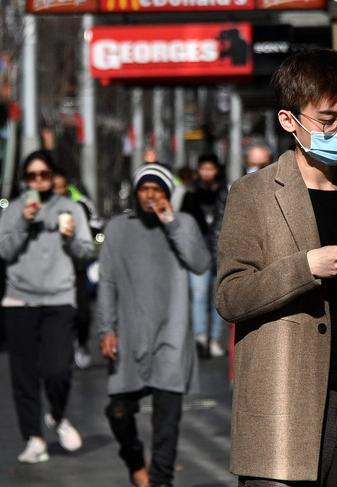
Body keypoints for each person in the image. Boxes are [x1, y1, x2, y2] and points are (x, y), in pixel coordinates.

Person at [216, 48, 337, 486]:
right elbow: (231, 296)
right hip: (282, 404)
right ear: (289, 121)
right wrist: (306, 266)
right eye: (327, 121)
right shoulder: (253, 193)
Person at [97, 163, 210, 487]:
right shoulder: (119, 228)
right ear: (135, 193)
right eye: (144, 189)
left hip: (171, 336)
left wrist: (171, 222)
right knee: (117, 412)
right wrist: (107, 330)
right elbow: (106, 282)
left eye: (157, 189)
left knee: (167, 423)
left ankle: (160, 482)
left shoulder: (182, 222)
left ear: (167, 193)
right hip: (130, 337)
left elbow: (200, 264)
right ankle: (135, 463)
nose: (150, 196)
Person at [0, 150, 94, 463]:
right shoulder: (14, 209)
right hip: (19, 299)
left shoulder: (70, 208)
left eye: (43, 174)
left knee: (57, 369)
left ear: (52, 176)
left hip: (58, 298)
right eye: (32, 176)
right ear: (25, 179)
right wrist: (24, 222)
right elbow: (4, 250)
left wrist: (69, 239)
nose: (38, 181)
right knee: (23, 374)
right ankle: (34, 438)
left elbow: (85, 252)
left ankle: (57, 414)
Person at [53, 170, 103, 369]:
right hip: (53, 269)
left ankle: (81, 343)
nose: (58, 191)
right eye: (54, 187)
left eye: (61, 186)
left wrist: (82, 235)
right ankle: (61, 348)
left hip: (78, 266)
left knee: (82, 312)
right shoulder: (41, 206)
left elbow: (96, 226)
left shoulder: (80, 203)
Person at [181, 154, 228, 357]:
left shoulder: (226, 193)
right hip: (197, 252)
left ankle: (215, 339)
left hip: (222, 251)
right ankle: (200, 337)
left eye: (210, 168)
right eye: (203, 169)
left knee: (219, 298)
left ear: (216, 170)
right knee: (199, 295)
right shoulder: (190, 194)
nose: (207, 173)